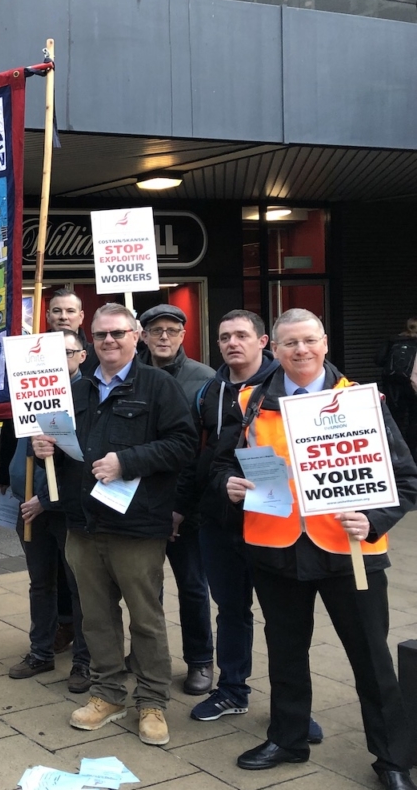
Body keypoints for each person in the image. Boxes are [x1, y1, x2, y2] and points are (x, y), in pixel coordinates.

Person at [214, 309, 417, 789]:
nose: (300, 351)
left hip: (350, 552)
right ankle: (288, 738)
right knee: (285, 653)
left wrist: (374, 519)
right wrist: (229, 484)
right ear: (275, 349)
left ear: (324, 343)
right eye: (289, 344)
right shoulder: (251, 401)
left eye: (308, 341)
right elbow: (221, 463)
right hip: (275, 549)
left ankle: (392, 758)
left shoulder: (362, 402)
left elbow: (406, 479)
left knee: (371, 658)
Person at [32, 303, 196, 747]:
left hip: (137, 527)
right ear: (91, 341)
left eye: (118, 333)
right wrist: (44, 448)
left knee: (146, 619)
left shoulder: (158, 386)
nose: (109, 341)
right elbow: (67, 454)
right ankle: (108, 693)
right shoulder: (76, 391)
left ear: (136, 335)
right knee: (97, 618)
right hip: (83, 524)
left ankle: (152, 701)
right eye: (101, 335)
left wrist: (128, 461)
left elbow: (183, 445)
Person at [179, 310, 327, 743]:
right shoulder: (209, 390)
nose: (232, 343)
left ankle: (294, 711)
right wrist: (183, 509)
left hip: (277, 523)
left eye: (242, 335)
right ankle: (232, 690)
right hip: (217, 521)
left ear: (264, 342)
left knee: (286, 622)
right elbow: (196, 455)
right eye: (224, 336)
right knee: (231, 611)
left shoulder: (287, 385)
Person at [5, 329, 91, 694]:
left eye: (66, 352)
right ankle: (40, 650)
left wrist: (44, 498)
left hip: (63, 509)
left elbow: (80, 459)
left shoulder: (87, 395)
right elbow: (18, 446)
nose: (58, 360)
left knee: (79, 586)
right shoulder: (30, 391)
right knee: (40, 583)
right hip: (28, 507)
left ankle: (85, 661)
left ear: (81, 356)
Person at [136, 304, 215, 696]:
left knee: (192, 587)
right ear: (143, 335)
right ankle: (149, 656)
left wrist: (181, 508)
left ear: (183, 335)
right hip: (139, 501)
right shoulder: (130, 375)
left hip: (188, 506)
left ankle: (201, 660)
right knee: (143, 588)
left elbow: (206, 451)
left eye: (172, 330)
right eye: (156, 330)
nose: (164, 337)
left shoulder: (204, 379)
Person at [375, 316, 417, 453]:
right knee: (414, 420)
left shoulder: (393, 340)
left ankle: (395, 452)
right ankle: (412, 453)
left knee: (394, 420)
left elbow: (379, 360)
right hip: (413, 385)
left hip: (392, 385)